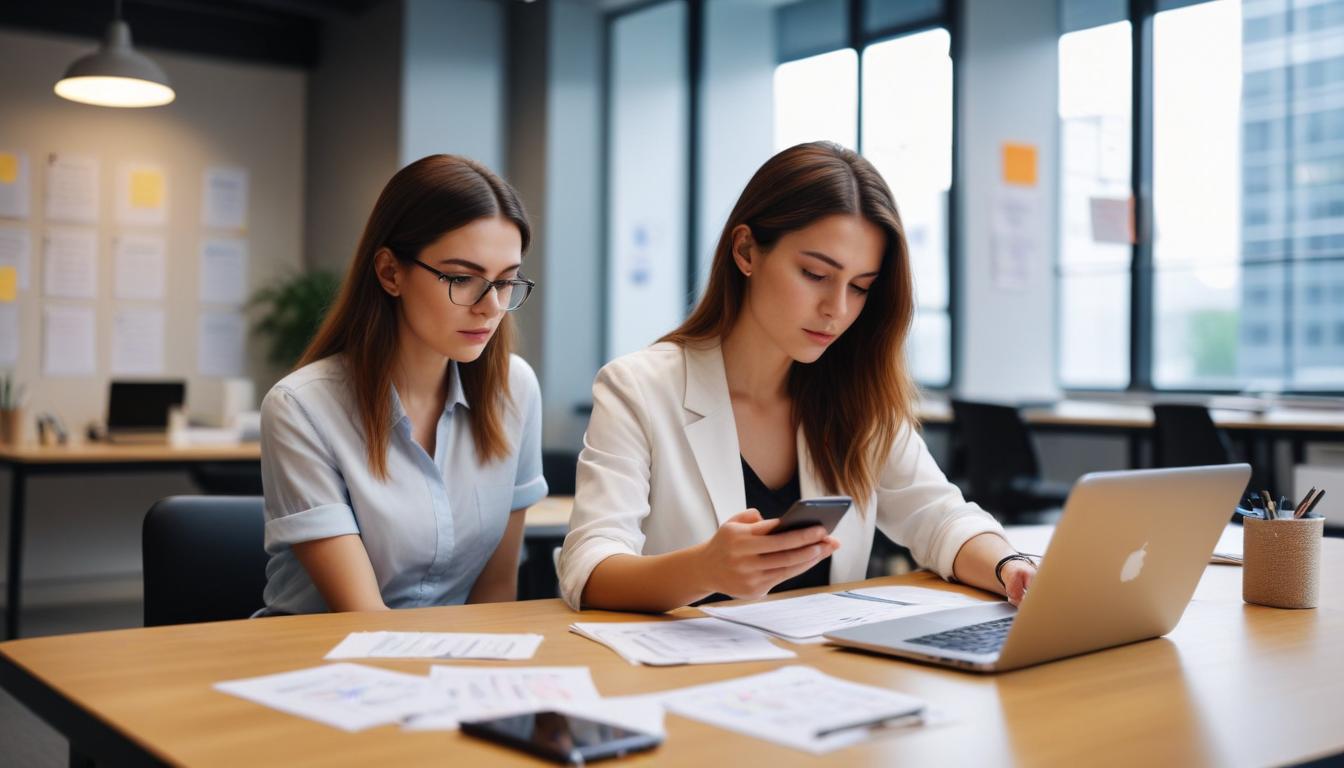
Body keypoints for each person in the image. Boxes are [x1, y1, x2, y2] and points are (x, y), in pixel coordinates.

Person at [559, 141, 1036, 612]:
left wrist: (1010, 568)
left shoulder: (857, 394)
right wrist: (704, 569)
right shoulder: (638, 388)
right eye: (814, 274)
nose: (837, 309)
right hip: (679, 676)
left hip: (822, 675)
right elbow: (589, 567)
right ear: (746, 251)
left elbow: (939, 518)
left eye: (861, 287)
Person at [258, 154, 547, 615]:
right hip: (327, 667)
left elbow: (495, 598)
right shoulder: (301, 406)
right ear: (391, 272)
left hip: (450, 664)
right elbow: (363, 619)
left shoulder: (515, 389)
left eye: (507, 281)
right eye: (462, 278)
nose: (490, 306)